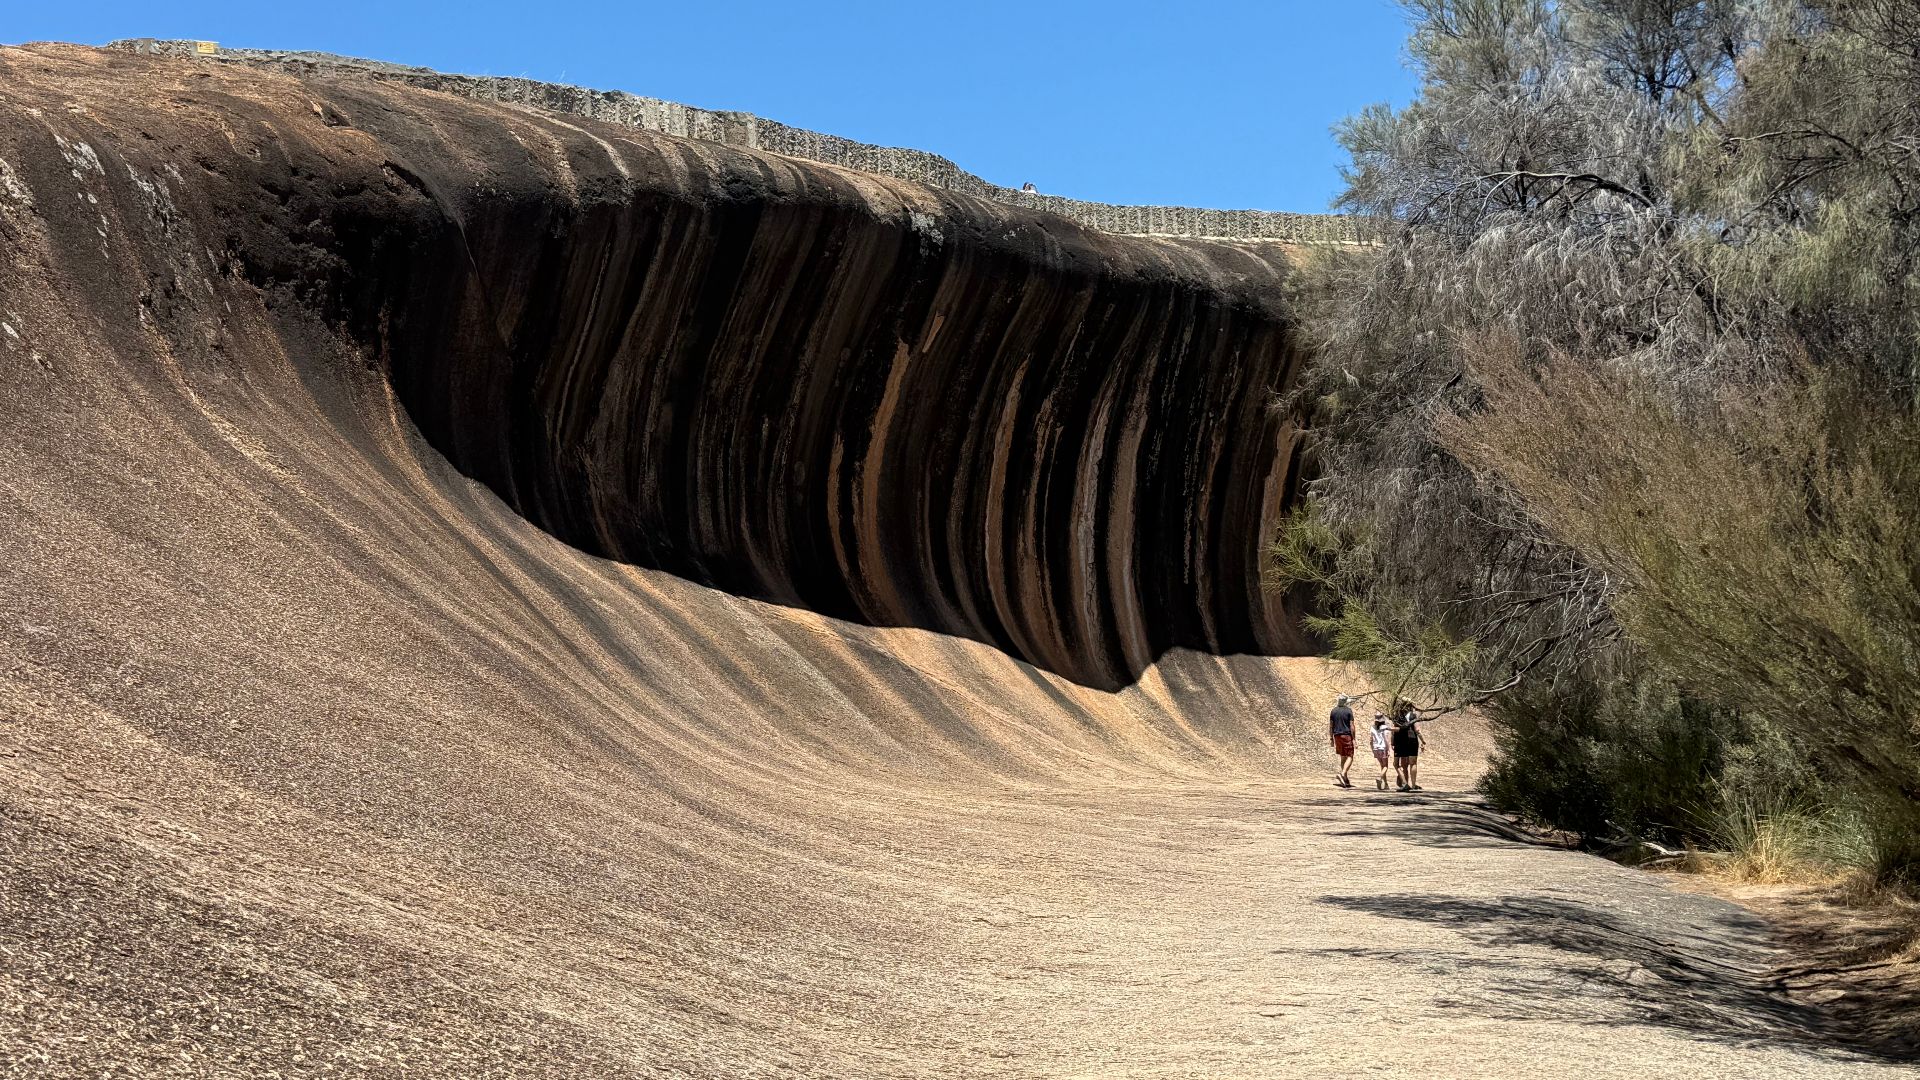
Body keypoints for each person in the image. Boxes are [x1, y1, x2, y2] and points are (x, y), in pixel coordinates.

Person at [1391, 706, 1424, 792]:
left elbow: (1394, 731)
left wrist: (1392, 742)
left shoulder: (1397, 716)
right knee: (1413, 763)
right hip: (1412, 740)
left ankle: (1405, 783)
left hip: (1402, 741)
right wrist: (1423, 741)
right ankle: (1413, 785)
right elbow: (1417, 729)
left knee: (1404, 764)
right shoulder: (1413, 715)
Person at [1328, 694, 1357, 788]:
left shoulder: (1333, 711)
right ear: (1346, 702)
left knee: (1343, 756)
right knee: (1350, 756)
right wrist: (1354, 739)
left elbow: (1331, 726)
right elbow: (1352, 726)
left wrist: (1331, 738)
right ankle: (1342, 773)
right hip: (1346, 735)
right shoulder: (1348, 711)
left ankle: (1345, 779)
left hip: (1337, 736)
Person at [1369, 714, 1392, 790]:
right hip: (1383, 748)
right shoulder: (1385, 728)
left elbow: (1371, 740)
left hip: (1376, 748)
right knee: (1385, 766)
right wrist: (1388, 749)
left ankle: (1385, 784)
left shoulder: (1372, 728)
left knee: (1382, 766)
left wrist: (1372, 749)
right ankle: (1380, 778)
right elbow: (1386, 740)